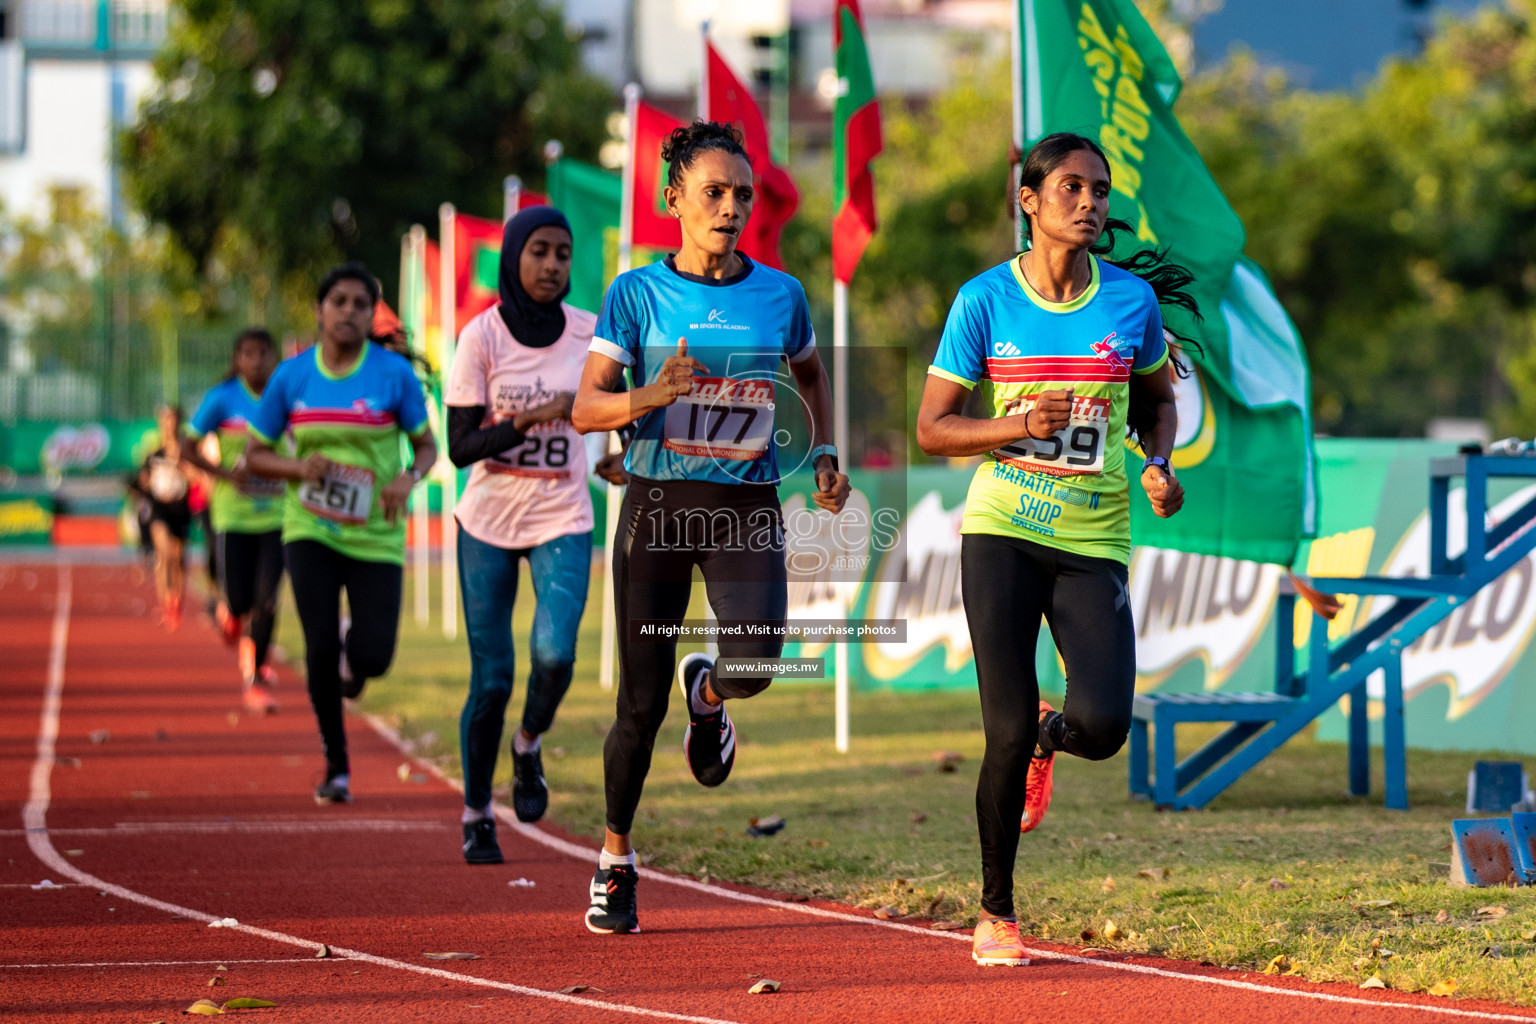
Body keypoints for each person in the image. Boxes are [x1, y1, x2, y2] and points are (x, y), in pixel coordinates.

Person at [916, 132, 1196, 967]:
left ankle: (1055, 738)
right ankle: (995, 913)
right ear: (1028, 201)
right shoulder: (984, 301)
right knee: (1001, 728)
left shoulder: (1129, 302)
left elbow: (1156, 404)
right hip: (1002, 528)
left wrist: (1158, 463)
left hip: (1094, 533)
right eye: (1070, 188)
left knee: (1105, 724)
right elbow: (933, 427)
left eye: (1100, 190)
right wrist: (1015, 425)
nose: (1089, 202)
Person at [571, 121, 850, 935]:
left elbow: (809, 370)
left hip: (745, 506)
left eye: (741, 196)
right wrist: (648, 398)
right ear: (674, 202)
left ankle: (713, 692)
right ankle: (616, 859)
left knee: (759, 660)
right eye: (713, 194)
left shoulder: (780, 293)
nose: (730, 210)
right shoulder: (635, 294)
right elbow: (588, 406)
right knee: (636, 704)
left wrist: (825, 449)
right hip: (658, 506)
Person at [445, 205, 629, 864]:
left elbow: (623, 409)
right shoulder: (481, 339)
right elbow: (461, 446)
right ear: (514, 258)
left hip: (563, 517)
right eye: (539, 252)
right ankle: (474, 812)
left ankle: (527, 746)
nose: (552, 266)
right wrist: (535, 419)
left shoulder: (590, 333)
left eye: (562, 254)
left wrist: (623, 456)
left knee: (555, 657)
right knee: (491, 678)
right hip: (487, 522)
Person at [245, 263, 437, 805]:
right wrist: (297, 469)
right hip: (309, 529)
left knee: (373, 658)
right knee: (319, 645)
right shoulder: (292, 377)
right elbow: (256, 453)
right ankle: (336, 764)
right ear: (319, 311)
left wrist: (407, 478)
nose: (349, 312)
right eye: (340, 302)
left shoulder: (392, 375)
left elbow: (426, 446)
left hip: (376, 531)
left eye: (360, 304)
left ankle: (356, 656)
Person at [183, 328, 286, 713]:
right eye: (248, 353)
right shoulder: (222, 399)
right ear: (237, 359)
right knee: (241, 600)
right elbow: (186, 448)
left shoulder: (286, 398)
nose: (256, 361)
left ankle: (256, 676)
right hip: (232, 516)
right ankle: (230, 612)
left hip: (278, 516)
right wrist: (225, 475)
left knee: (268, 600)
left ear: (274, 357)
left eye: (263, 353)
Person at [130, 405, 193, 630]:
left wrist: (182, 462)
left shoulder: (186, 450)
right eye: (166, 421)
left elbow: (195, 477)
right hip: (159, 509)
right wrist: (143, 483)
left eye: (174, 421)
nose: (170, 425)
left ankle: (176, 601)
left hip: (180, 509)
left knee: (178, 557)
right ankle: (166, 601)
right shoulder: (153, 454)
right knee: (164, 551)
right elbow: (142, 480)